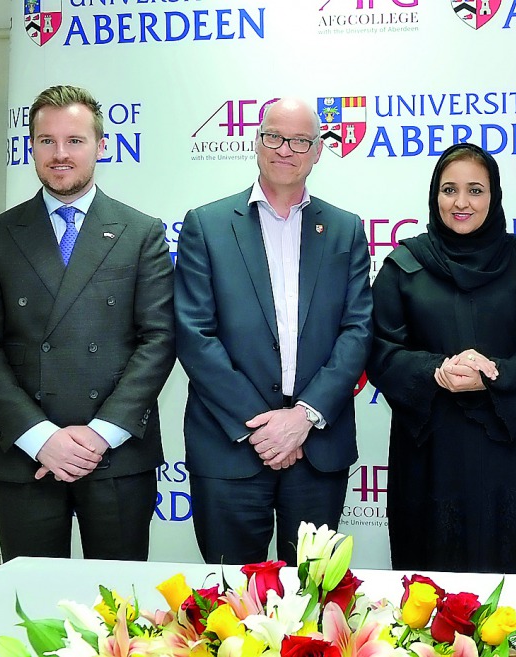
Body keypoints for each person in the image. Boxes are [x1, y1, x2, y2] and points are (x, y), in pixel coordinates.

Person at [0, 84, 174, 561]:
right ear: (30, 147)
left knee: (122, 612)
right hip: (23, 454)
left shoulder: (142, 232)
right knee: (30, 614)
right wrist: (42, 438)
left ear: (101, 146)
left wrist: (100, 434)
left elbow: (158, 340)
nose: (60, 154)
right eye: (46, 141)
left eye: (75, 140)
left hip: (116, 453)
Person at [174, 97, 373, 566]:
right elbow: (194, 335)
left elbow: (358, 330)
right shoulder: (207, 225)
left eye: (301, 140)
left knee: (312, 604)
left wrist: (302, 417)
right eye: (274, 137)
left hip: (317, 447)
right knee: (227, 605)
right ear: (256, 142)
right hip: (230, 445)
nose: (286, 149)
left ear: (319, 150)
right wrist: (265, 427)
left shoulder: (345, 229)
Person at [367, 142, 516, 575]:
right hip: (433, 453)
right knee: (433, 595)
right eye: (449, 190)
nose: (461, 202)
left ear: (494, 197)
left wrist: (493, 375)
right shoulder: (403, 266)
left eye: (475, 190)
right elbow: (380, 348)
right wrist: (435, 371)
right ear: (434, 195)